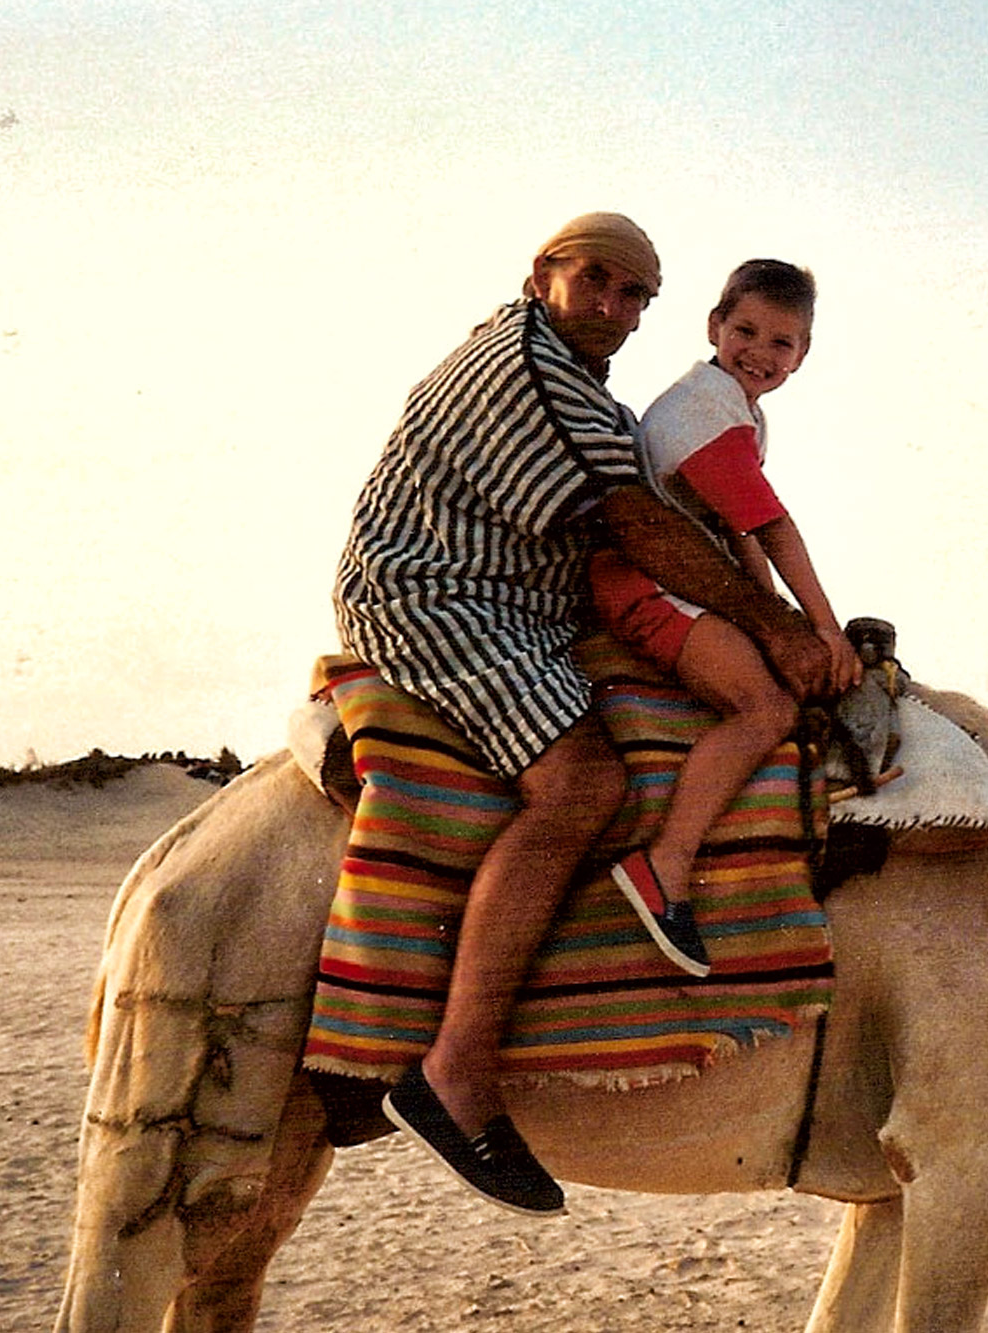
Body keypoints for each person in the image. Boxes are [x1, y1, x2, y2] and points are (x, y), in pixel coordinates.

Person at [334, 214, 838, 1214]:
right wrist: (780, 627)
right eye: (593, 283)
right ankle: (457, 1070)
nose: (611, 308)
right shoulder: (537, 376)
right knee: (583, 785)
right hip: (442, 597)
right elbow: (640, 523)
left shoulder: (569, 373)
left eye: (630, 296)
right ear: (543, 274)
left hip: (524, 604)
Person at [589, 259, 862, 948]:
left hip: (692, 581)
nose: (760, 353)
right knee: (764, 707)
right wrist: (825, 630)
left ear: (802, 355)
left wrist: (780, 621)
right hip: (648, 582)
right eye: (745, 330)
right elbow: (769, 524)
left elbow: (739, 533)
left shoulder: (739, 411)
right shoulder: (705, 406)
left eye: (781, 342)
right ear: (714, 326)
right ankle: (665, 862)